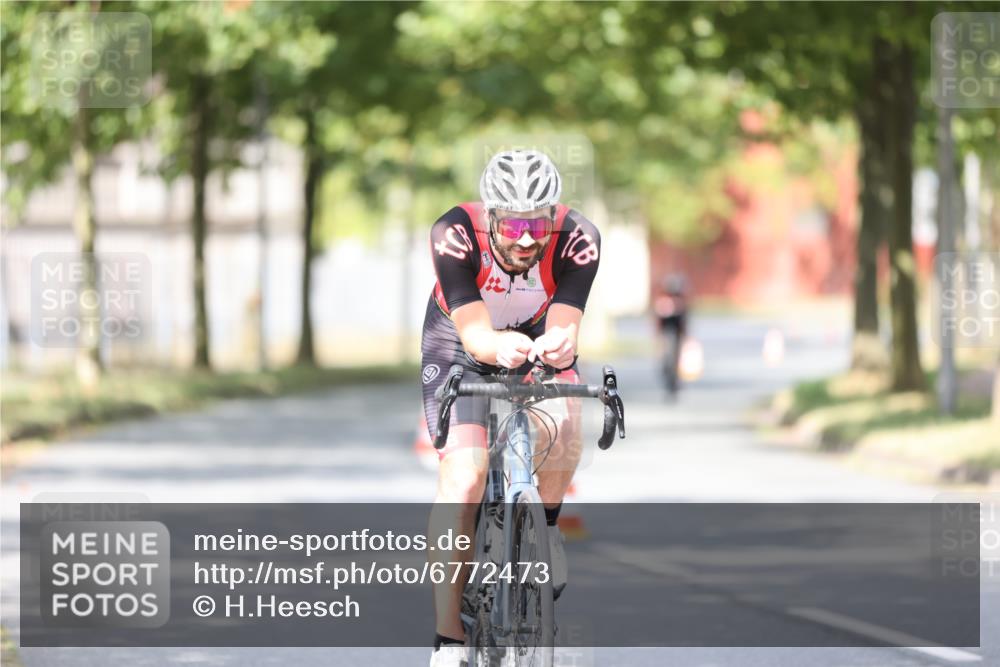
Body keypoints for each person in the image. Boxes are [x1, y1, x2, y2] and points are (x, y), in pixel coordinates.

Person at [422, 149, 601, 666]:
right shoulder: (453, 233)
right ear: (492, 216)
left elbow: (565, 323)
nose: (526, 238)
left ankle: (543, 529)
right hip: (459, 339)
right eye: (514, 224)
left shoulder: (579, 238)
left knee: (567, 419)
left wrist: (559, 347)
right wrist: (495, 347)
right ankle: (449, 639)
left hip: (536, 332)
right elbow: (477, 336)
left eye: (537, 223)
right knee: (464, 479)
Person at [652, 273, 689, 396]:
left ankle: (674, 382)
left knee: (675, 358)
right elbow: (657, 319)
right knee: (666, 358)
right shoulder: (662, 299)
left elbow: (685, 319)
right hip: (666, 334)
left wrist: (686, 334)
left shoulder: (681, 300)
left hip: (676, 334)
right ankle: (667, 377)